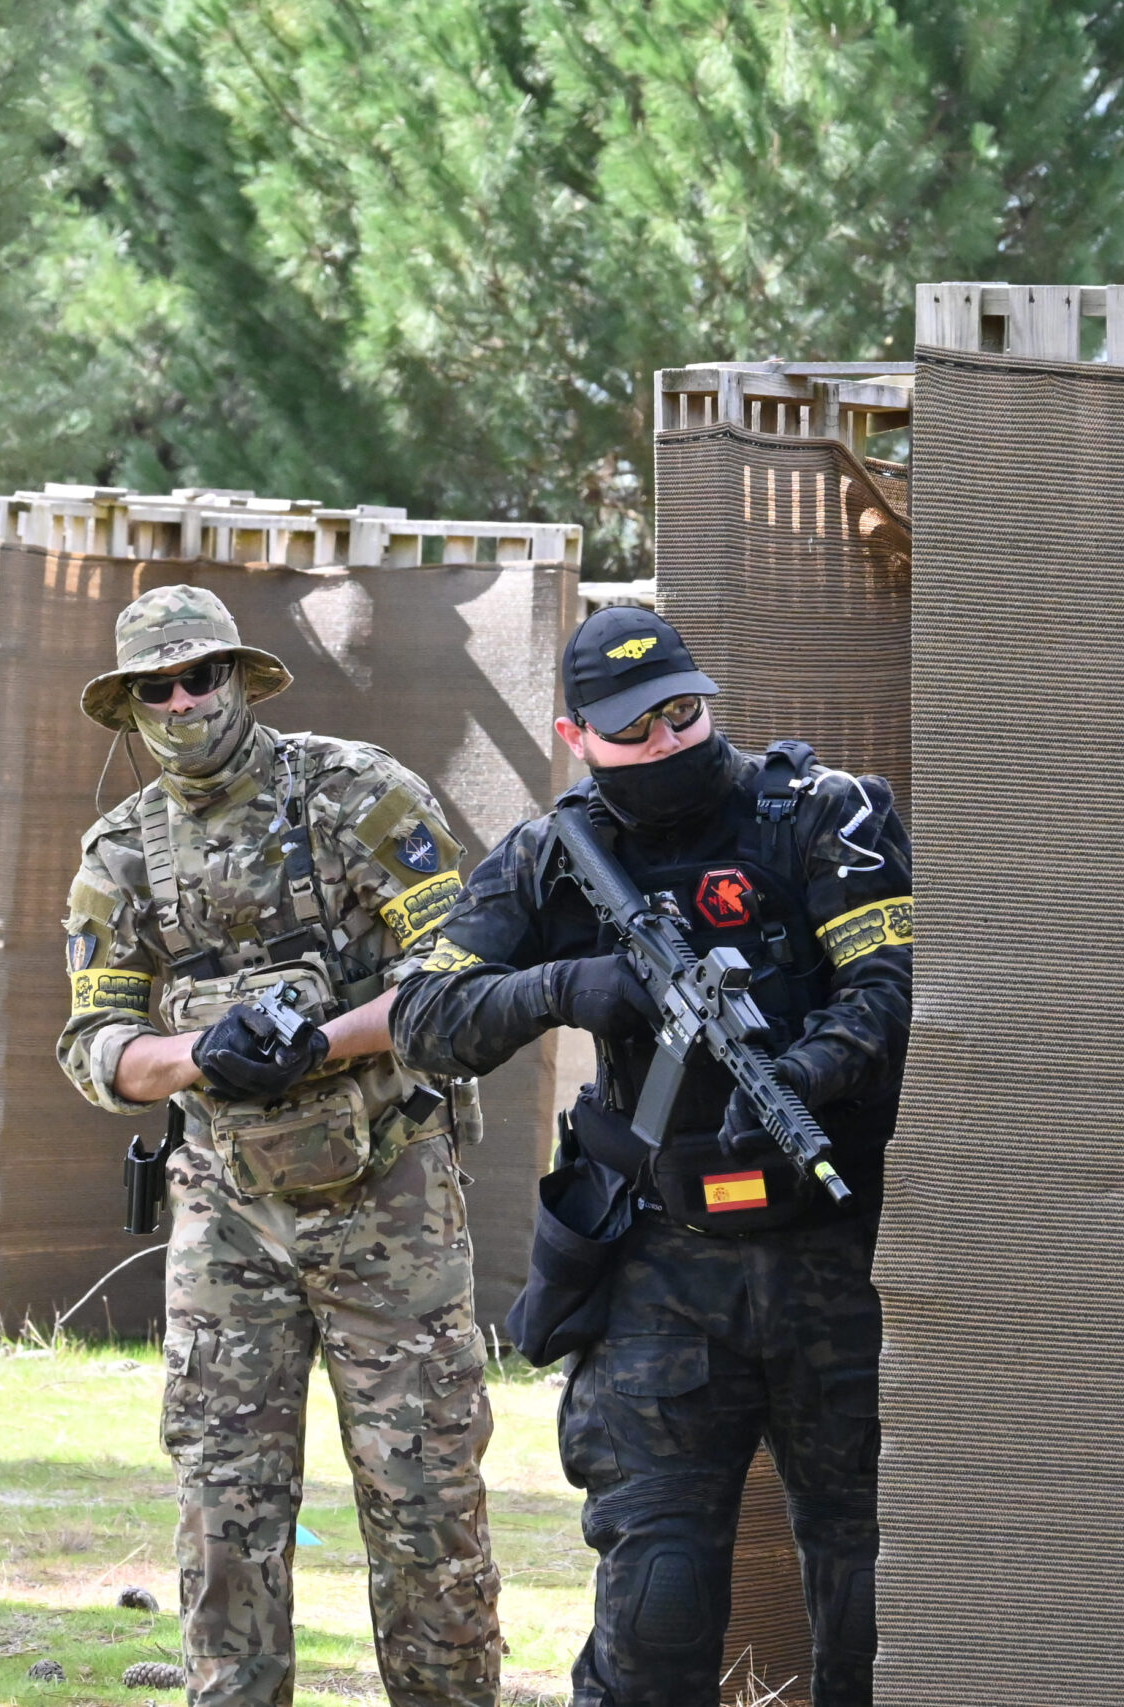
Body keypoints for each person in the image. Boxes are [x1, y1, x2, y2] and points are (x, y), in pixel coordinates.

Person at [390, 605, 913, 1707]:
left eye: (682, 712)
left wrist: (802, 1075)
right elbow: (425, 1018)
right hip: (662, 1271)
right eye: (634, 727)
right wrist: (566, 986)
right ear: (575, 735)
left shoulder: (822, 813)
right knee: (657, 1604)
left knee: (875, 1601)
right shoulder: (554, 855)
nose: (668, 740)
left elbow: (888, 992)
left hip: (837, 1252)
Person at [55, 585, 500, 1707]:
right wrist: (199, 1053)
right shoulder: (120, 852)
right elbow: (95, 1043)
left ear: (241, 678)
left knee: (425, 1501)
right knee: (224, 1508)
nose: (182, 701)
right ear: (130, 706)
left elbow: (458, 973)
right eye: (156, 687)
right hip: (228, 1216)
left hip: (389, 1199)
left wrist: (319, 1040)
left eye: (200, 675)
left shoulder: (357, 794)